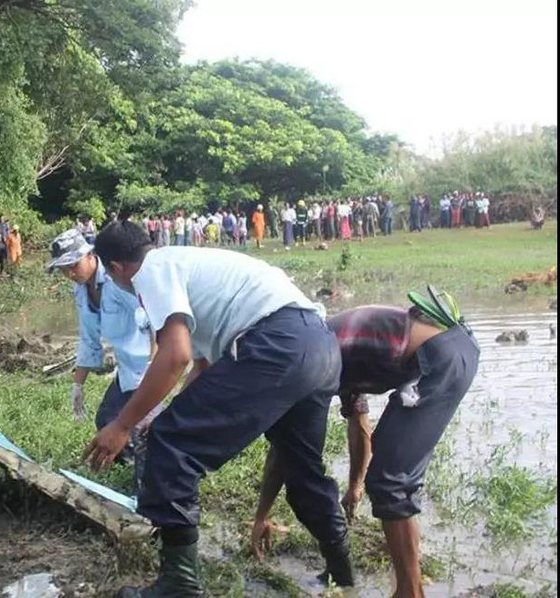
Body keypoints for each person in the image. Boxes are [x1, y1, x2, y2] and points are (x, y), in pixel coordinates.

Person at [84, 221, 354, 597]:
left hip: (275, 344)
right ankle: (344, 576)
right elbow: (203, 367)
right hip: (318, 345)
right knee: (303, 472)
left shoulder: (151, 272)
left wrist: (122, 424)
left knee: (170, 446)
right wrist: (169, 412)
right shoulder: (189, 263)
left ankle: (179, 586)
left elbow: (173, 355)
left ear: (114, 268)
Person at [251, 298, 479, 598]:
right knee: (392, 480)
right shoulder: (335, 354)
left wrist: (261, 515)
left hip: (441, 353)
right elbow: (358, 425)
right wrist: (355, 487)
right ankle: (406, 570)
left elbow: (286, 449)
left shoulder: (314, 353)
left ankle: (409, 591)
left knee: (390, 482)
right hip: (454, 349)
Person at [46, 229, 161, 492]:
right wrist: (78, 386)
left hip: (148, 369)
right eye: (64, 270)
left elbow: (154, 316)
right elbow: (88, 339)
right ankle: (127, 469)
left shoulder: (116, 280)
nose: (70, 274)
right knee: (107, 417)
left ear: (90, 255)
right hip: (126, 370)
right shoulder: (81, 291)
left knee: (146, 430)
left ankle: (148, 489)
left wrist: (153, 366)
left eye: (73, 265)